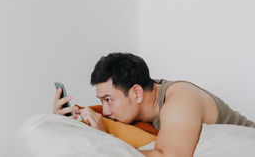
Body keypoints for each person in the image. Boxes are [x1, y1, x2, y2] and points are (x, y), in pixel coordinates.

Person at [52, 52, 255, 157]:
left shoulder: (179, 102)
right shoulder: (136, 108)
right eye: (101, 101)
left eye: (109, 100)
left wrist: (107, 144)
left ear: (137, 93)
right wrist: (65, 123)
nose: (105, 110)